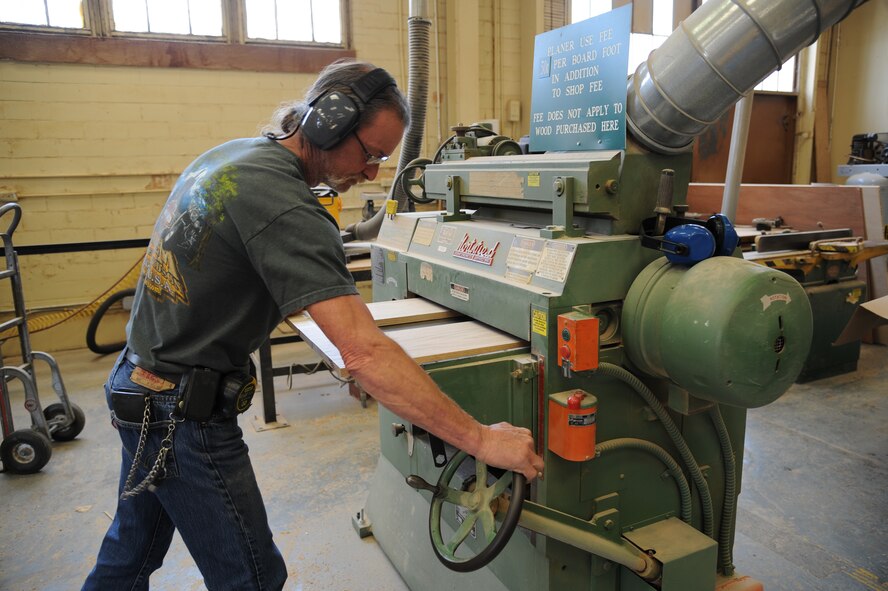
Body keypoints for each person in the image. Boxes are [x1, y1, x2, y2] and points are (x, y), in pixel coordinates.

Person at [83, 59, 544, 590]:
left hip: (139, 387)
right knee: (252, 578)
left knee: (130, 555)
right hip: (183, 415)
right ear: (328, 121)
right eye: (369, 154)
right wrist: (481, 439)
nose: (372, 173)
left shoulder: (236, 157)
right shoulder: (286, 207)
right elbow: (365, 353)